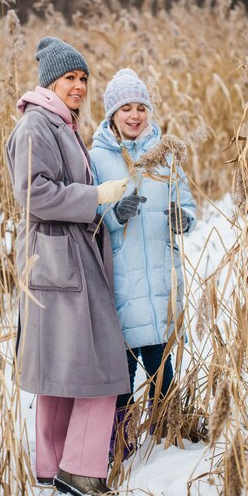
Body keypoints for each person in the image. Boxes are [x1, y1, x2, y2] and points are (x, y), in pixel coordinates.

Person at [5, 37, 131, 496]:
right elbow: (32, 194)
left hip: (64, 256)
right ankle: (80, 469)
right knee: (100, 364)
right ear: (49, 82)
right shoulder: (37, 125)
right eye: (69, 78)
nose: (78, 86)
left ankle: (50, 465)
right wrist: (95, 198)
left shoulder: (60, 123)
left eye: (82, 78)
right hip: (56, 258)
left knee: (62, 364)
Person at [89, 68, 196, 451]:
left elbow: (185, 202)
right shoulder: (97, 158)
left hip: (158, 284)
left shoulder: (164, 155)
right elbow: (87, 218)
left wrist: (184, 219)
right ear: (112, 114)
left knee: (161, 368)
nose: (134, 116)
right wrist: (115, 215)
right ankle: (118, 443)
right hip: (118, 285)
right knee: (120, 376)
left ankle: (167, 437)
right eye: (125, 109)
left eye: (141, 107)